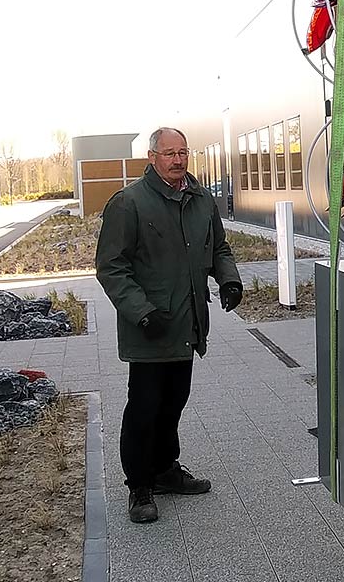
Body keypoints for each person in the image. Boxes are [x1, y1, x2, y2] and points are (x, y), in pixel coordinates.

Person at [96, 127, 243, 524]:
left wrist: (228, 279)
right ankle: (139, 486)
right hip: (149, 327)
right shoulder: (129, 203)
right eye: (169, 154)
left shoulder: (201, 199)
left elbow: (219, 248)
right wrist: (141, 311)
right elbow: (111, 267)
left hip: (189, 323)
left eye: (183, 153)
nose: (178, 160)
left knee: (175, 401)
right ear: (152, 157)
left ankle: (165, 469)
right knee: (144, 407)